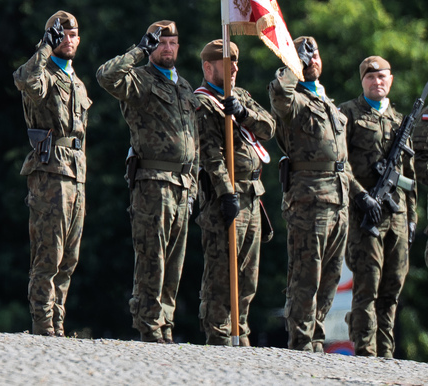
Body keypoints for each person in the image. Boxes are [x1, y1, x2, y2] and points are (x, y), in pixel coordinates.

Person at [269, 36, 376, 352]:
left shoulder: (329, 104)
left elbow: (340, 163)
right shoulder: (296, 100)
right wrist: (292, 66)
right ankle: (301, 340)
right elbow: (278, 94)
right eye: (305, 55)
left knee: (329, 276)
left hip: (339, 200)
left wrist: (359, 195)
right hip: (309, 201)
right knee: (306, 273)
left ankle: (315, 338)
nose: (312, 59)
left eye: (314, 54)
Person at [96, 20, 198, 343]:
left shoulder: (184, 88)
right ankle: (148, 323)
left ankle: (165, 322)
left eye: (172, 42)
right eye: (161, 43)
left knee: (174, 260)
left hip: (182, 184)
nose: (167, 48)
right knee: (151, 256)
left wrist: (194, 182)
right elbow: (105, 76)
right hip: (153, 182)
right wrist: (139, 49)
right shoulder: (139, 81)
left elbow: (193, 139)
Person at [13, 11, 91, 337]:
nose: (68, 41)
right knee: (48, 253)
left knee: (69, 258)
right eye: (62, 35)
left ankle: (58, 323)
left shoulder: (76, 81)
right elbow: (24, 79)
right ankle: (42, 324)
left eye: (73, 35)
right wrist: (45, 46)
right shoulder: (42, 73)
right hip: (49, 172)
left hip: (76, 173)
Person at [193, 40, 275, 346]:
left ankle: (241, 331)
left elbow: (269, 127)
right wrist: (227, 194)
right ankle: (218, 334)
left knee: (247, 272)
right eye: (228, 64)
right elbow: (211, 155)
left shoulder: (240, 96)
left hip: (253, 192)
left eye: (236, 64)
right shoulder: (202, 103)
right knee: (221, 271)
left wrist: (243, 114)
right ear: (209, 67)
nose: (235, 69)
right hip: (225, 196)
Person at [339, 56, 416, 358]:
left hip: (396, 215)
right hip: (364, 215)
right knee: (367, 285)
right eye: (370, 77)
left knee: (392, 286)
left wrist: (412, 217)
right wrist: (360, 196)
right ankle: (365, 352)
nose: (377, 82)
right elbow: (340, 164)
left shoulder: (399, 120)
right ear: (363, 82)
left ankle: (385, 353)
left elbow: (408, 176)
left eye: (382, 76)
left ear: (391, 80)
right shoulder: (348, 114)